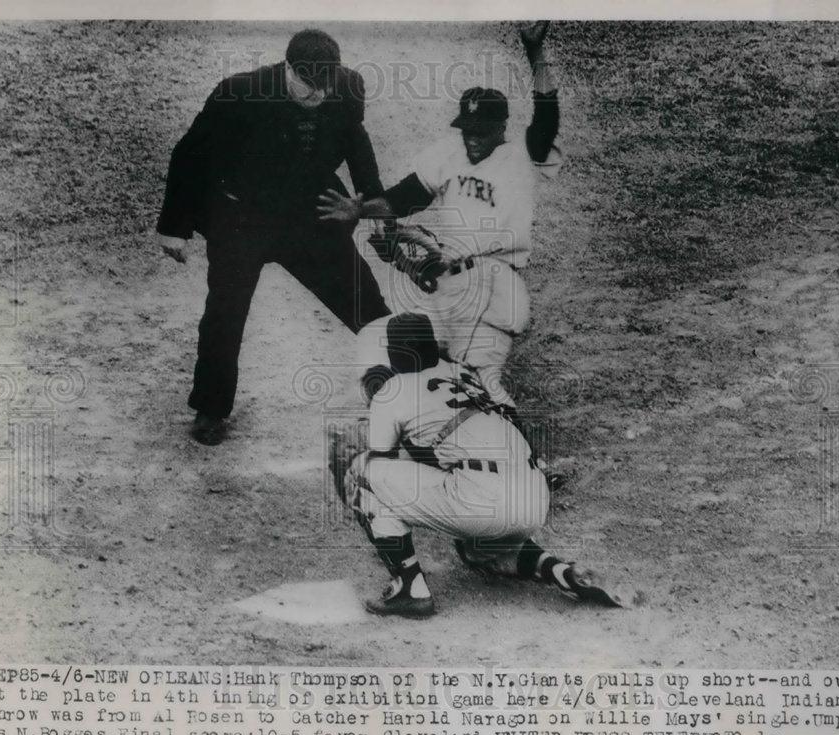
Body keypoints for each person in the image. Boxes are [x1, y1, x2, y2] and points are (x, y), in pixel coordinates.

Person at [157, 29, 391, 445]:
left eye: (326, 85)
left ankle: (411, 388)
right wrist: (173, 228)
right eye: (308, 84)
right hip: (243, 217)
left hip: (310, 218)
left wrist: (375, 204)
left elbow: (357, 141)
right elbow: (189, 154)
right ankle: (211, 408)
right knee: (225, 314)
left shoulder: (348, 86)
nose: (318, 94)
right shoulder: (239, 92)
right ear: (288, 69)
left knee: (365, 302)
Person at [317, 22, 560, 411]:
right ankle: (404, 438)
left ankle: (527, 459)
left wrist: (535, 53)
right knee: (388, 349)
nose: (472, 137)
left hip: (494, 285)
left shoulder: (521, 157)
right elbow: (403, 199)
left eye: (482, 130)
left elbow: (546, 115)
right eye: (467, 129)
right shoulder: (449, 154)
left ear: (502, 128)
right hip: (446, 285)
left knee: (481, 385)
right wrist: (360, 210)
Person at [333, 313, 632, 618]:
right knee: (476, 548)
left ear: (395, 354)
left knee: (361, 473)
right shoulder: (464, 375)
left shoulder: (394, 389)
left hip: (480, 495)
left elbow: (382, 461)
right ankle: (558, 571)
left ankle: (410, 588)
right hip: (533, 496)